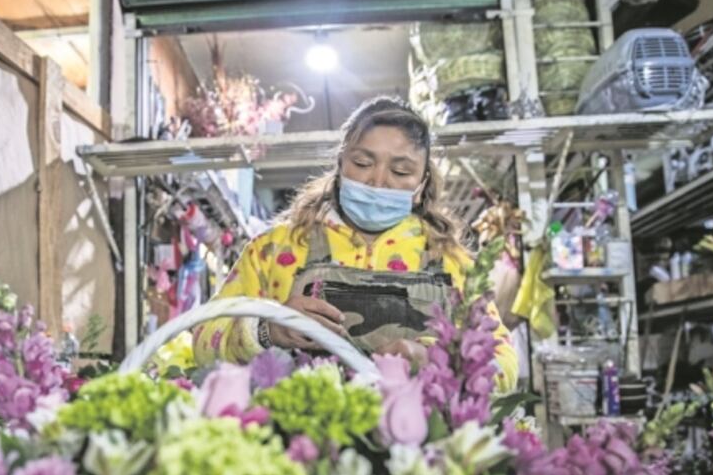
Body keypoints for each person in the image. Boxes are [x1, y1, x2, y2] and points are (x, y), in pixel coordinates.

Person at [193, 96, 517, 390]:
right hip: (299, 445)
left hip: (415, 450)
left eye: (401, 170)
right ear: (341, 165)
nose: (378, 180)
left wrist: (433, 358)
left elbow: (504, 364)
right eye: (362, 163)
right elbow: (204, 341)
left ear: (422, 183)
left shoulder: (450, 261)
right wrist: (266, 331)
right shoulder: (273, 250)